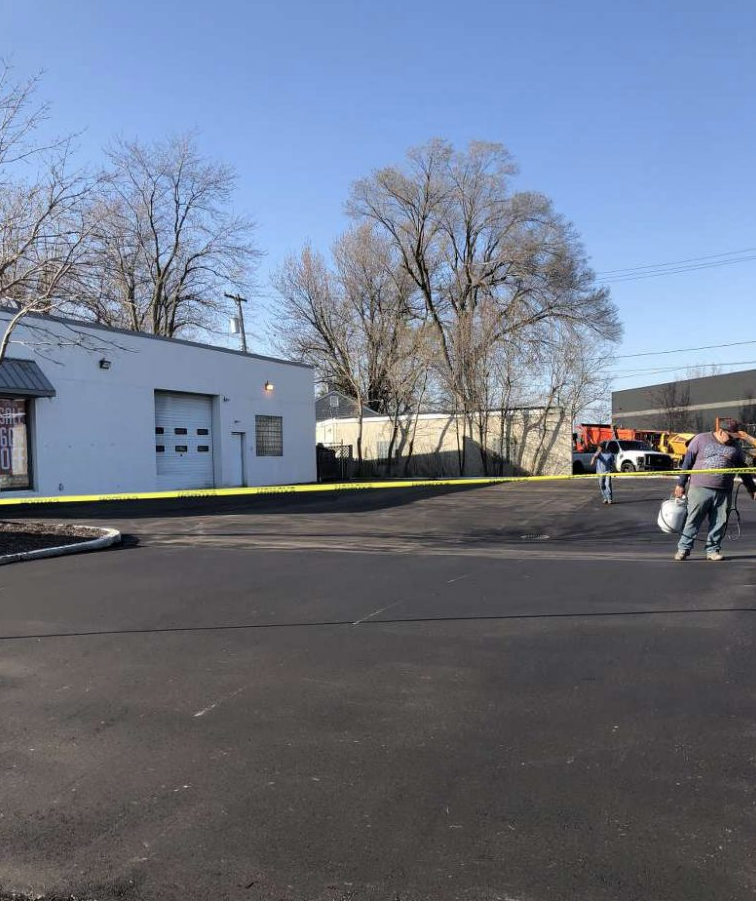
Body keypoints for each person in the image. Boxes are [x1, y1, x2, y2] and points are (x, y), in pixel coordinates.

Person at [674, 418, 756, 561]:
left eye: (734, 436)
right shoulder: (701, 439)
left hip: (724, 490)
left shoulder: (735, 447)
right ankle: (683, 549)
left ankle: (712, 550)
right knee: (693, 519)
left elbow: (743, 469)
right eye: (729, 436)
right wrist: (681, 484)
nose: (731, 439)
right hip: (700, 488)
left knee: (719, 521)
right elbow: (687, 461)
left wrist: (752, 488)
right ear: (720, 431)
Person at [591, 440, 616, 505]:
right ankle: (605, 498)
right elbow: (593, 460)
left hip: (608, 472)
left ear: (604, 447)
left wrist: (614, 470)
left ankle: (609, 499)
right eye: (599, 447)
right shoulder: (599, 454)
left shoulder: (610, 454)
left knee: (608, 485)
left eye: (600, 447)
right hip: (600, 472)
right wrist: (594, 458)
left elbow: (612, 464)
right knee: (602, 485)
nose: (599, 448)